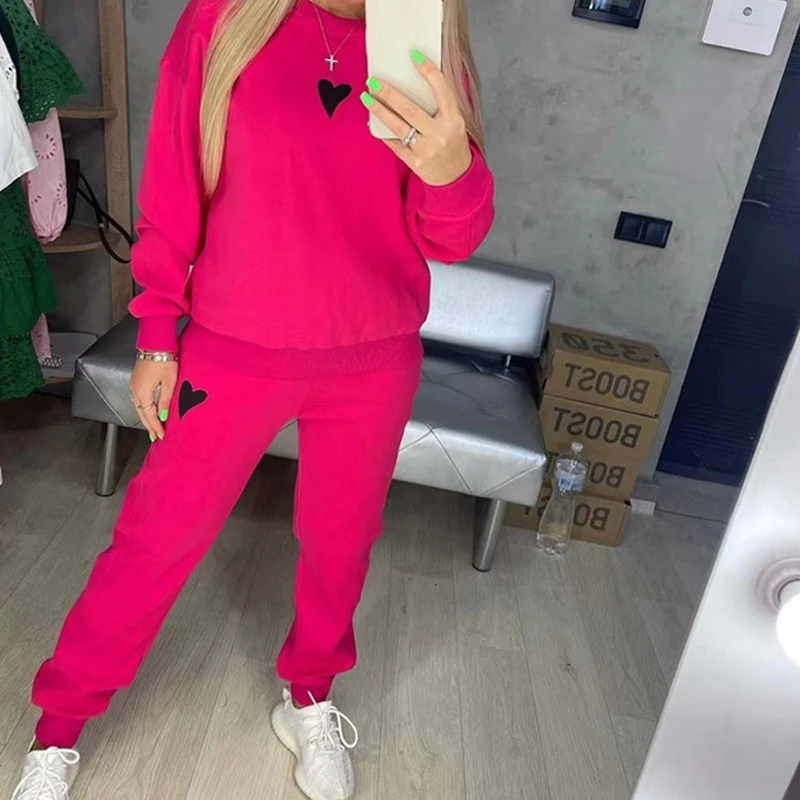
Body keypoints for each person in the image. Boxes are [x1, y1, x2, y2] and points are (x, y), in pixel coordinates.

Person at [11, 0, 494, 798]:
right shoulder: (226, 18)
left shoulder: (423, 37)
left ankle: (309, 697)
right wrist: (157, 334)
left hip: (373, 359)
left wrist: (455, 173)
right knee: (154, 542)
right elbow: (174, 187)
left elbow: (453, 236)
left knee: (341, 546)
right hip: (231, 350)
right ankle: (58, 730)